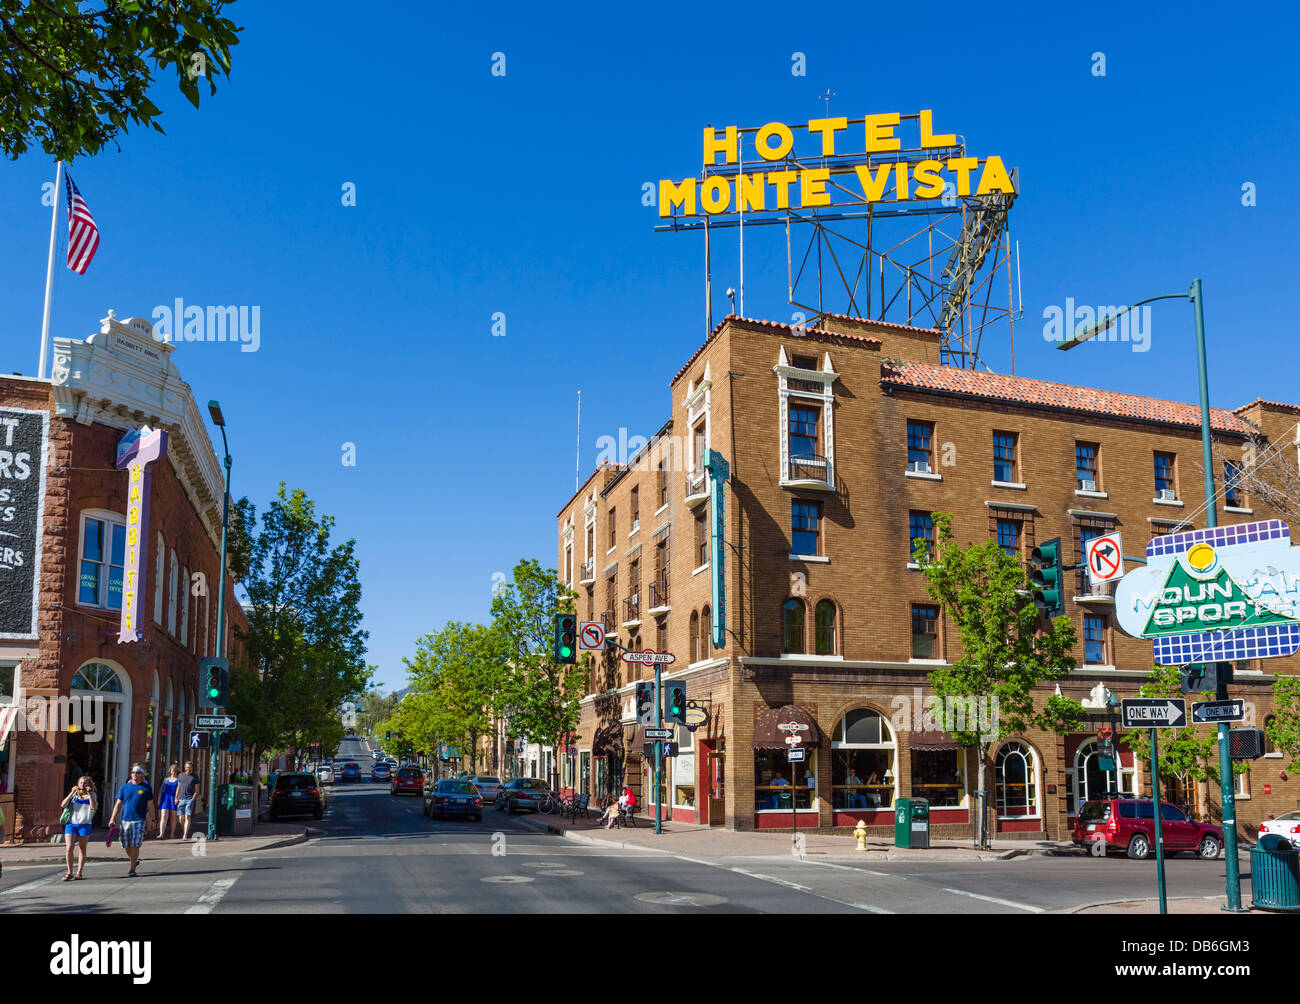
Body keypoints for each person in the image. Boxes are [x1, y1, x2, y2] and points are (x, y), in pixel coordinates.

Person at [107, 764, 155, 877]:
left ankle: (132, 868)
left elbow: (150, 805)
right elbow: (118, 804)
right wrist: (112, 818)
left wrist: (153, 820)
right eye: (133, 772)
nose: (135, 775)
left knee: (135, 844)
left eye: (137, 773)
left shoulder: (146, 788)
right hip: (125, 820)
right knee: (125, 843)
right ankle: (133, 859)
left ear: (142, 775)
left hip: (139, 820)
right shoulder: (124, 788)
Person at [60, 776, 97, 880]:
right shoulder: (74, 795)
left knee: (82, 848)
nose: (82, 785)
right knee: (69, 847)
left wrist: (89, 794)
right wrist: (71, 793)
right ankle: (69, 872)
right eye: (81, 783)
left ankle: (79, 872)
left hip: (85, 824)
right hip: (71, 824)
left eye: (85, 783)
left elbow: (94, 807)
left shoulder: (92, 795)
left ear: (89, 785)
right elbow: (63, 805)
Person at [175, 761, 200, 839]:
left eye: (189, 767)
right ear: (184, 767)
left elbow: (196, 790)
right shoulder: (180, 775)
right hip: (180, 798)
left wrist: (193, 798)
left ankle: (185, 835)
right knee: (180, 818)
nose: (188, 768)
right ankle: (184, 831)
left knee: (187, 817)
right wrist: (176, 797)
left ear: (192, 767)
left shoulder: (195, 777)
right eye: (186, 767)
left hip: (189, 799)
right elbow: (178, 787)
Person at [157, 763, 180, 839]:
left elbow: (179, 790)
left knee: (173, 817)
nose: (174, 772)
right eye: (173, 771)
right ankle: (161, 834)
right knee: (163, 816)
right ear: (170, 771)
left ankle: (172, 833)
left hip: (173, 799)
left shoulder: (179, 780)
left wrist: (177, 798)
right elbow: (161, 790)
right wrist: (159, 799)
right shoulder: (166, 780)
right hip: (165, 798)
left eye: (175, 771)